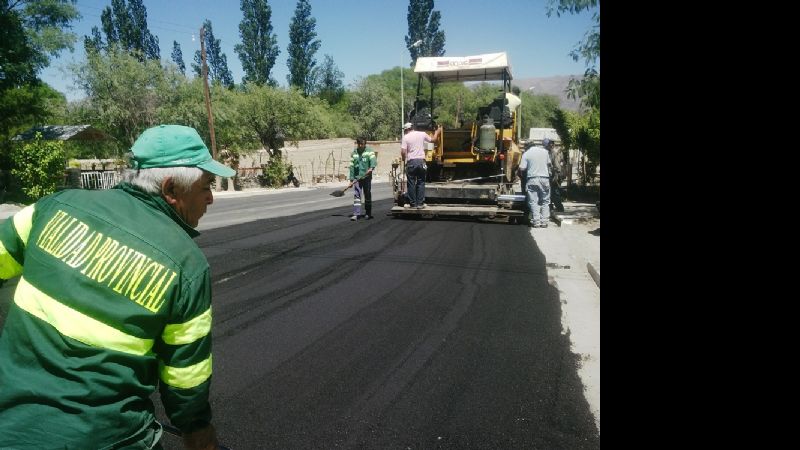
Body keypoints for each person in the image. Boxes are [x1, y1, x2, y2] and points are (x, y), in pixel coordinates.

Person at [0, 124, 233, 450]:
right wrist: (196, 430)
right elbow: (186, 377)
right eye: (206, 185)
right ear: (170, 189)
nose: (211, 197)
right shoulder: (187, 266)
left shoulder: (54, 207)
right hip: (112, 438)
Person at [400, 121, 442, 209]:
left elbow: (403, 152)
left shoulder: (405, 137)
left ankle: (413, 204)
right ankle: (420, 203)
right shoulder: (422, 134)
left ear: (406, 130)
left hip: (411, 162)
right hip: (421, 162)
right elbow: (433, 140)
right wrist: (437, 132)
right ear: (412, 128)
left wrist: (404, 158)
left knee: (411, 183)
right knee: (421, 182)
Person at [517, 139, 552, 228]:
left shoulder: (526, 154)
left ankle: (536, 222)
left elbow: (522, 168)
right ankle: (544, 222)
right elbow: (549, 164)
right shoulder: (545, 152)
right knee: (545, 201)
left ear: (527, 146)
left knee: (533, 201)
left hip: (532, 179)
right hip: (545, 179)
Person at [347, 137, 377, 220]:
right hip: (357, 178)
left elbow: (373, 161)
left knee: (367, 194)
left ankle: (368, 213)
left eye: (362, 144)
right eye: (359, 144)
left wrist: (371, 167)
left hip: (367, 177)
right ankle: (356, 214)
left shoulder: (369, 151)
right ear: (357, 143)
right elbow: (352, 167)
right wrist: (351, 180)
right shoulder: (354, 153)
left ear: (365, 143)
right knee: (357, 195)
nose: (361, 145)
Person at [543, 138, 565, 212]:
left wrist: (558, 174)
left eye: (552, 143)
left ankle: (559, 207)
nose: (551, 145)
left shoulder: (553, 152)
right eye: (550, 143)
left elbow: (558, 164)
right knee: (551, 192)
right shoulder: (550, 152)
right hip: (548, 175)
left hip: (553, 175)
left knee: (554, 192)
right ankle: (551, 207)